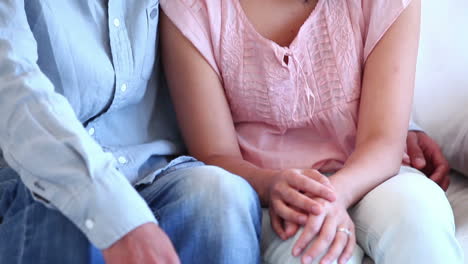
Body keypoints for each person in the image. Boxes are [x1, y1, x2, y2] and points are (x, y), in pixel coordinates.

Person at [159, 0, 462, 263]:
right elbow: (214, 154)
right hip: (276, 193)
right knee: (311, 253)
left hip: (374, 175)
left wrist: (333, 196)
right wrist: (273, 185)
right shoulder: (192, 10)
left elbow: (383, 141)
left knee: (419, 221)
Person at [0, 1, 262, 264]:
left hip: (155, 173)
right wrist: (113, 215)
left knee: (223, 197)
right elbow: (15, 93)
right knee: (70, 216)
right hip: (38, 179)